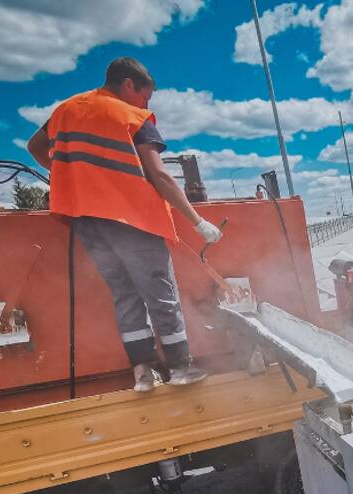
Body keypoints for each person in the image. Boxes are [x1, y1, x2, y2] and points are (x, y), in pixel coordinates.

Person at [26, 57, 222, 392]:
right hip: (131, 217)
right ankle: (180, 368)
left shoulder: (66, 111)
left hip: (87, 220)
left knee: (125, 295)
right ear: (129, 85)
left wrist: (70, 176)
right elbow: (159, 174)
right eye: (146, 96)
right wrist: (198, 221)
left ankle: (143, 374)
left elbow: (35, 147)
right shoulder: (131, 115)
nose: (147, 104)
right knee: (161, 293)